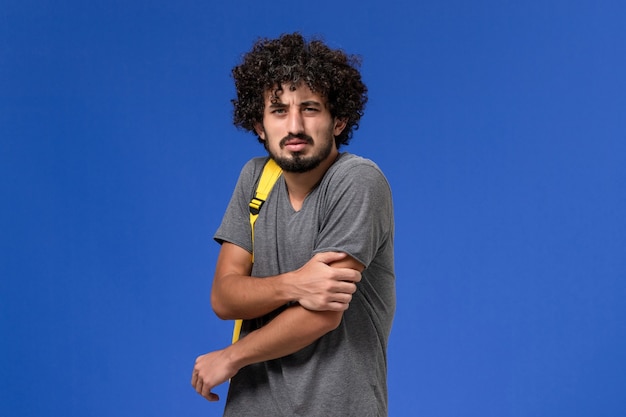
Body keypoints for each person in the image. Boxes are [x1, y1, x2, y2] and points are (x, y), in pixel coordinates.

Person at [191, 32, 396, 416]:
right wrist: (296, 283)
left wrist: (231, 357)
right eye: (279, 110)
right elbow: (224, 296)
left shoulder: (357, 180)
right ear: (259, 124)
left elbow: (322, 313)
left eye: (311, 108)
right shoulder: (256, 179)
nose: (295, 125)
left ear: (339, 120)